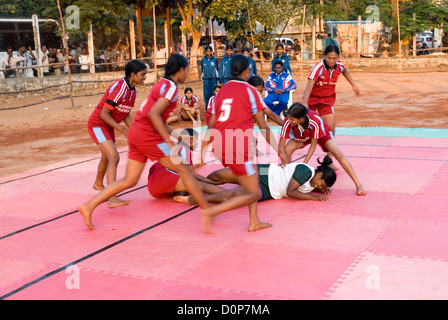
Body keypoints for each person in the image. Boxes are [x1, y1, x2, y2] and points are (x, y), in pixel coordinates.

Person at [78, 54, 210, 230]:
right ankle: (207, 211)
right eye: (142, 74)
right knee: (182, 169)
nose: (144, 77)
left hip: (134, 132)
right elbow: (150, 115)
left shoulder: (150, 87)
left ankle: (90, 202)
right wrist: (165, 140)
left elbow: (136, 114)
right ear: (181, 70)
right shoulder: (166, 87)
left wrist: (174, 137)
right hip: (124, 130)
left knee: (128, 178)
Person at [200, 54, 287, 233]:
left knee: (252, 179)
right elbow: (263, 127)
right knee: (253, 192)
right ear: (247, 71)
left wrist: (202, 151)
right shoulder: (250, 91)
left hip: (221, 144)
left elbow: (211, 124)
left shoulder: (221, 91)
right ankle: (212, 211)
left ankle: (254, 221)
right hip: (237, 146)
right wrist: (279, 150)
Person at [86, 60, 147, 209]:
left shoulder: (133, 91)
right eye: (142, 75)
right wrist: (122, 130)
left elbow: (125, 114)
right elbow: (103, 114)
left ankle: (98, 183)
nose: (145, 78)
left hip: (108, 127)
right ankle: (112, 196)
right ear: (132, 75)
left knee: (106, 157)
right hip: (98, 125)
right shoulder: (120, 87)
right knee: (114, 157)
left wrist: (133, 130)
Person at [279, 103, 365, 196]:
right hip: (303, 135)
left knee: (337, 153)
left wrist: (304, 164)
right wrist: (284, 161)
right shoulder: (288, 120)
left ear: (301, 119)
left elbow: (313, 144)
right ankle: (291, 180)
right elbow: (281, 145)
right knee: (287, 149)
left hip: (321, 135)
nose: (289, 120)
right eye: (288, 118)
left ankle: (358, 184)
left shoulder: (315, 121)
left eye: (292, 119)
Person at [181, 156, 336, 205]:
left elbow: (306, 187)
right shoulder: (306, 171)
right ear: (319, 174)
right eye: (322, 183)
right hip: (265, 172)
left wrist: (319, 189)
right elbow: (291, 191)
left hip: (269, 191)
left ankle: (198, 198)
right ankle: (194, 181)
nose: (319, 186)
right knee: (218, 175)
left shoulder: (313, 183)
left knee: (233, 196)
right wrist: (315, 197)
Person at [147, 128, 225, 202]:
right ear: (190, 140)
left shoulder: (175, 147)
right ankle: (229, 194)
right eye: (196, 140)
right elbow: (191, 175)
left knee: (186, 184)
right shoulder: (185, 148)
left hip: (153, 186)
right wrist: (212, 182)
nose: (197, 143)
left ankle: (180, 196)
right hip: (162, 178)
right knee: (199, 185)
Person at [303, 45, 360, 136]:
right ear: (324, 56)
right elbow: (309, 86)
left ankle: (330, 149)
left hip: (326, 100)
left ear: (338, 57)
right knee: (305, 132)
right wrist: (305, 102)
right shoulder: (318, 68)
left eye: (335, 58)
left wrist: (353, 85)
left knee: (331, 130)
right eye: (329, 58)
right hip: (312, 100)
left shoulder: (339, 65)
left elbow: (345, 71)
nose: (332, 61)